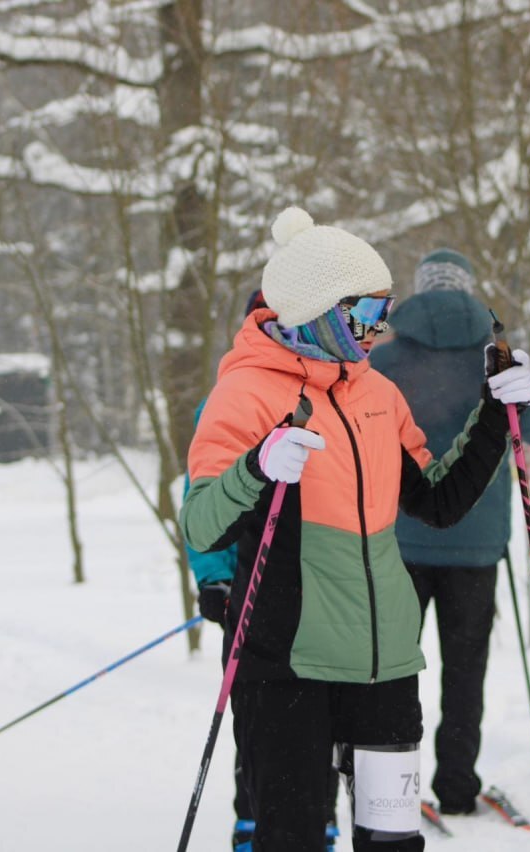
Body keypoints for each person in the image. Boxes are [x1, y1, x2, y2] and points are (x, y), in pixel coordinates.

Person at [181, 206, 530, 852]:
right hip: (290, 666)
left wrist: (494, 412)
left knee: (393, 842)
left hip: (386, 668)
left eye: (385, 310)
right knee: (291, 839)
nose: (378, 332)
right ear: (318, 311)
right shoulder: (247, 394)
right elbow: (202, 524)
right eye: (367, 314)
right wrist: (255, 467)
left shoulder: (377, 394)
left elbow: (438, 502)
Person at [369, 249, 530, 815]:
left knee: (394, 669)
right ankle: (456, 787)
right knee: (465, 669)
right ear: (468, 291)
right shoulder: (494, 359)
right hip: (477, 540)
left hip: (401, 535)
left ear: (420, 291)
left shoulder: (385, 360)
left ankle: (390, 788)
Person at [187, 289, 342, 852]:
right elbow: (202, 497)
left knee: (319, 716)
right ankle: (250, 816)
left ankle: (318, 813)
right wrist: (212, 578)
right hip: (248, 587)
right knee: (259, 716)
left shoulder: (336, 390)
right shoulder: (232, 395)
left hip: (318, 594)